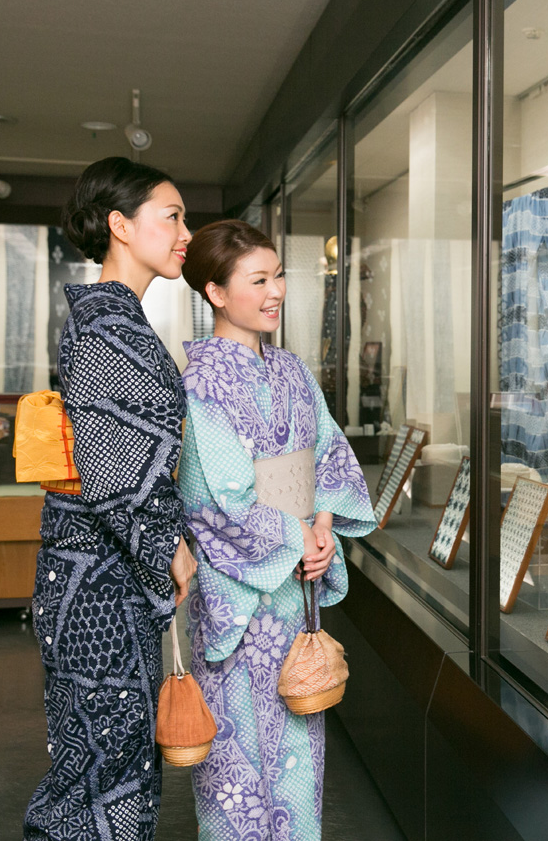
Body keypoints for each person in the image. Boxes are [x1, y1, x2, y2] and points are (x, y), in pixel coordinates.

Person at [176, 219, 376, 841]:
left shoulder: (291, 371)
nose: (276, 291)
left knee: (299, 742)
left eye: (279, 275)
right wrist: (298, 539)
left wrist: (321, 527)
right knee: (235, 767)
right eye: (258, 279)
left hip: (291, 591)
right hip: (236, 595)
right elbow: (219, 498)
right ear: (215, 292)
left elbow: (328, 454)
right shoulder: (199, 382)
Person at [24, 157, 198, 841]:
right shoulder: (103, 326)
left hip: (99, 578)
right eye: (172, 216)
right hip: (97, 587)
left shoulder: (115, 320)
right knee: (99, 772)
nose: (185, 232)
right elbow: (115, 474)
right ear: (121, 226)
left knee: (110, 762)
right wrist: (172, 549)